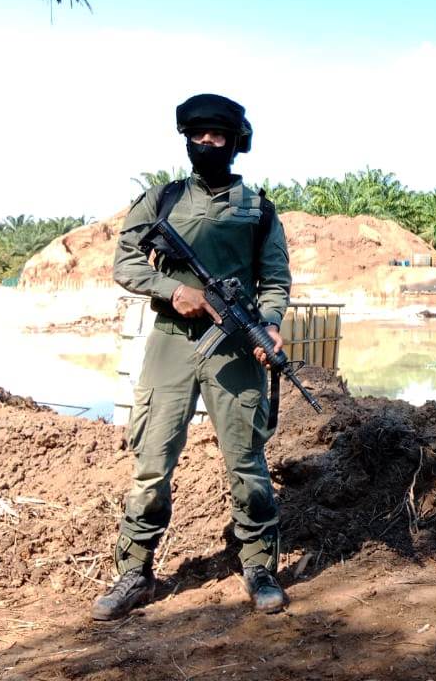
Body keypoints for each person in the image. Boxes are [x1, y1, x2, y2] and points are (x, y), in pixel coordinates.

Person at [91, 94, 293, 620]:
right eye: (198, 136)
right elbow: (125, 263)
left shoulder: (258, 209)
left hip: (234, 347)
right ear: (186, 140)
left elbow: (275, 280)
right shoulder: (160, 201)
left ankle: (258, 567)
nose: (207, 144)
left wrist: (268, 326)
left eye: (218, 137)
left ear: (235, 143)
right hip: (171, 343)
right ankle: (134, 572)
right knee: (152, 463)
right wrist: (171, 290)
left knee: (247, 463)